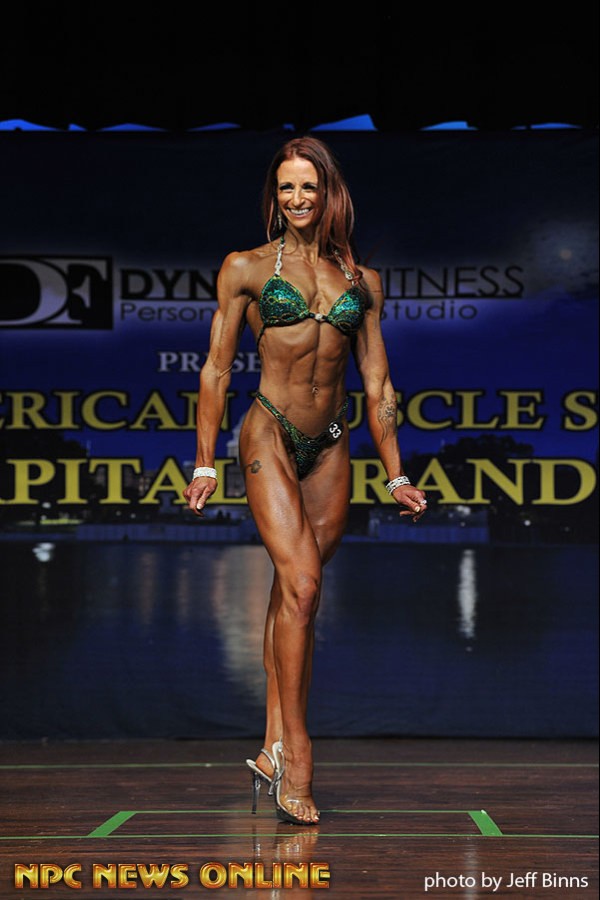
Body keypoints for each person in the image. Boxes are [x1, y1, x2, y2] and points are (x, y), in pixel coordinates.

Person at [183, 136, 427, 826]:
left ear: (328, 195)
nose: (297, 199)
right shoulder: (245, 268)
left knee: (297, 598)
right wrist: (204, 462)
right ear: (275, 195)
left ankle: (269, 746)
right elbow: (217, 368)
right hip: (269, 431)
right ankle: (297, 753)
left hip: (331, 442)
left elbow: (378, 382)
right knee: (304, 584)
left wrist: (396, 473)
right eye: (287, 187)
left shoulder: (362, 281)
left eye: (309, 188)